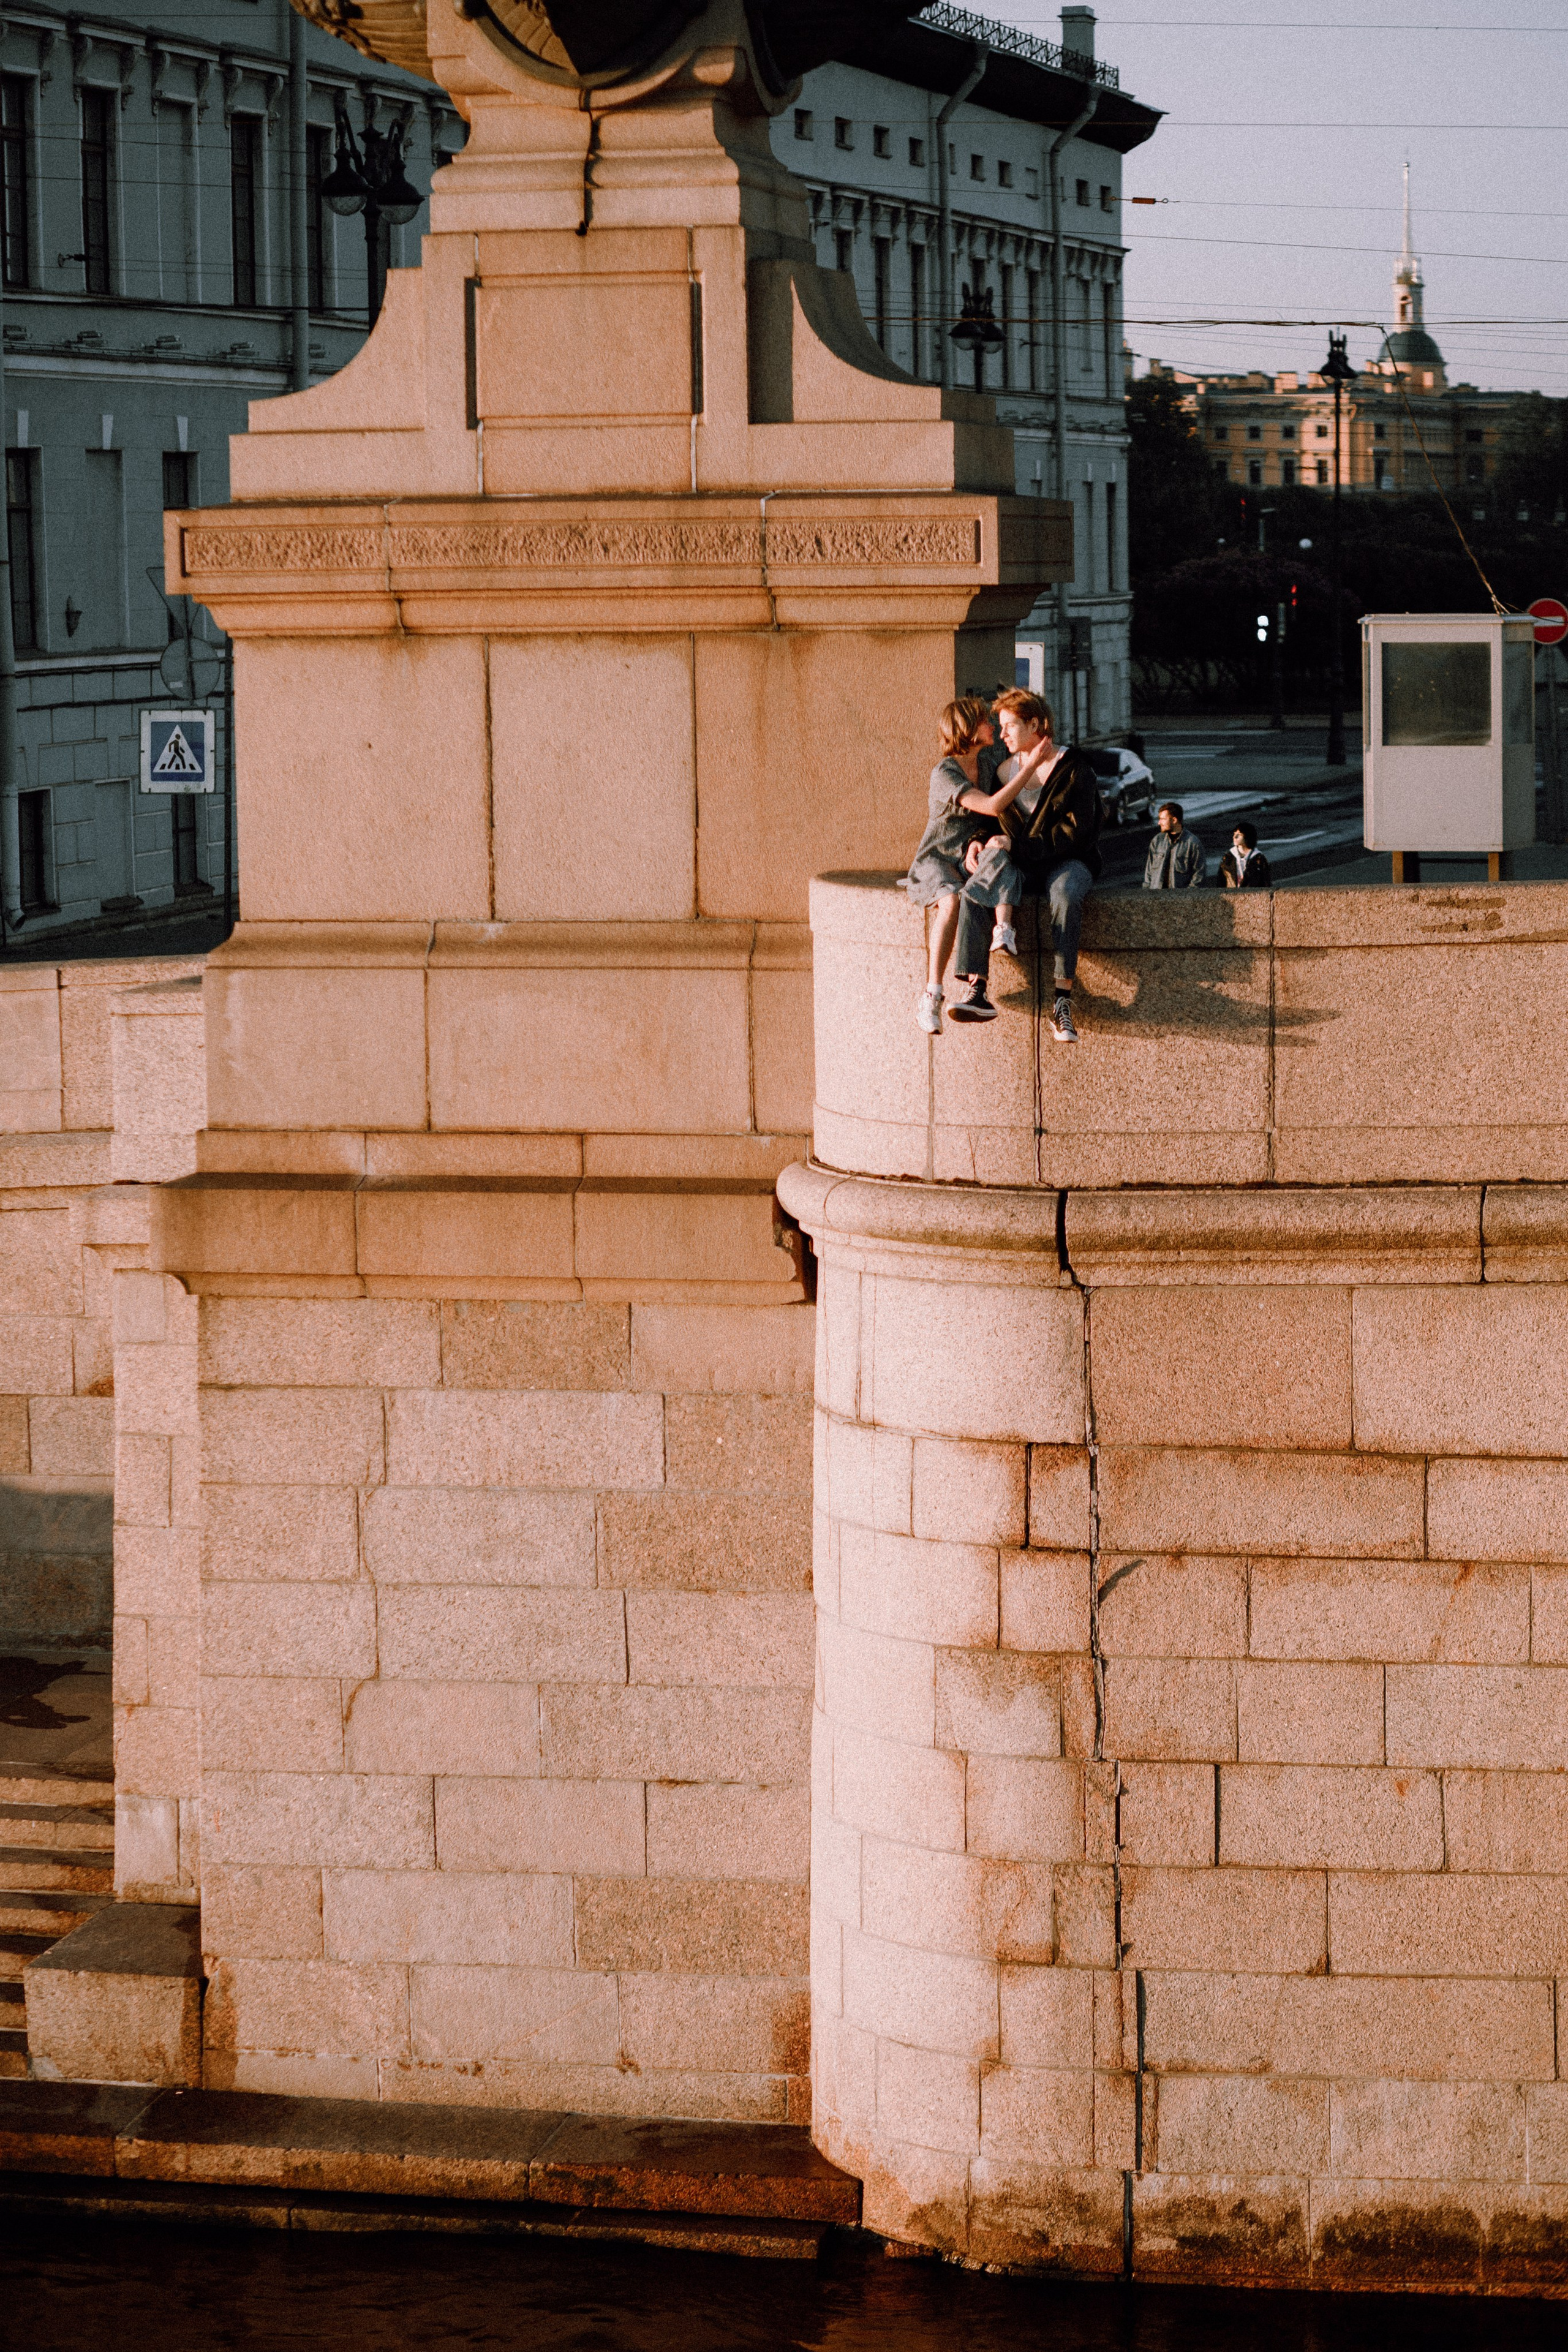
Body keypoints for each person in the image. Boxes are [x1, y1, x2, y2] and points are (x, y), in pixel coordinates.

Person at [947, 689, 1102, 1042]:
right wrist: (978, 840)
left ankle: (1062, 1001)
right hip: (1022, 862)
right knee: (976, 887)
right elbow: (992, 818)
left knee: (1066, 894)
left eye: (1009, 726)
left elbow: (1076, 834)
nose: (1002, 735)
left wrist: (1017, 845)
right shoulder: (1004, 771)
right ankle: (978, 990)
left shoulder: (1075, 768)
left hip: (1068, 860)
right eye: (999, 726)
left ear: (1035, 724)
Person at [907, 699, 1051, 1035]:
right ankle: (932, 995)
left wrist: (977, 839)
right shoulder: (945, 772)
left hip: (965, 854)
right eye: (986, 722)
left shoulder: (987, 765)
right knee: (953, 899)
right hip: (938, 859)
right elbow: (991, 805)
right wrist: (1032, 766)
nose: (994, 728)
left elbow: (988, 821)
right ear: (966, 730)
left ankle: (981, 982)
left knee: (1000, 863)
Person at [1144, 801, 1206, 889]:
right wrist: (1146, 894)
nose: (1159, 823)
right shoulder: (1157, 841)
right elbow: (1149, 873)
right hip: (1156, 898)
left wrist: (1186, 897)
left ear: (1174, 820)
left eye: (1163, 819)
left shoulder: (1193, 843)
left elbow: (1199, 875)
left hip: (1180, 900)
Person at [1219, 819, 1271, 888]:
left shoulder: (1258, 859)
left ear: (1247, 837)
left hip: (1253, 896)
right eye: (1234, 834)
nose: (1235, 837)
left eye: (1239, 835)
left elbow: (1266, 882)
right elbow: (1221, 882)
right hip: (1233, 896)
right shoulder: (1228, 858)